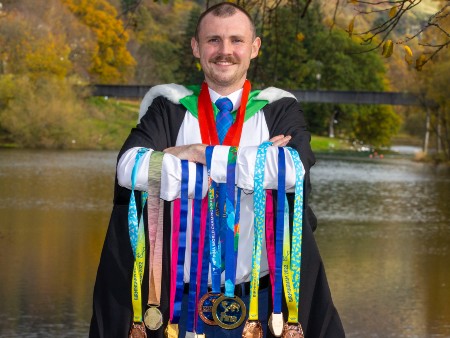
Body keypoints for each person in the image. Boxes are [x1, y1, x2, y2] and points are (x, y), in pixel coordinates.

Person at [89, 2, 345, 338]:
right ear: (196, 47)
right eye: (213, 40)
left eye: (237, 40)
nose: (225, 51)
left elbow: (292, 170)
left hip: (264, 303)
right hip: (176, 305)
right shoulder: (168, 107)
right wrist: (250, 163)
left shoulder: (278, 109)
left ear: (254, 48)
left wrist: (197, 154)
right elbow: (130, 167)